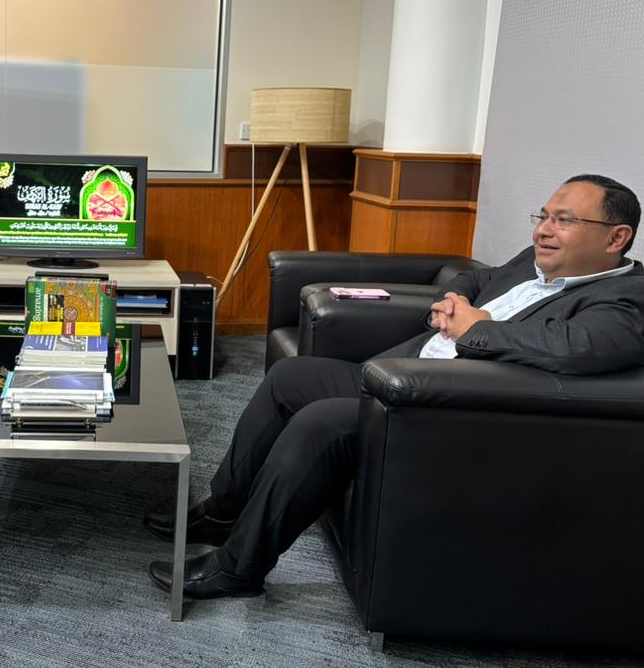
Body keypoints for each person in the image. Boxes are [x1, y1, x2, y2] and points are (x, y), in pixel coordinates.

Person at [146, 174, 644, 599]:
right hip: (401, 375)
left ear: (616, 237)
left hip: (442, 413)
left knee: (321, 422)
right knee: (290, 377)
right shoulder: (533, 262)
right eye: (543, 216)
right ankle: (222, 511)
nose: (543, 230)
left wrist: (475, 329)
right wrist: (454, 301)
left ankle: (238, 569)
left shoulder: (625, 302)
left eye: (564, 220)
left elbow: (573, 350)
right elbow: (479, 279)